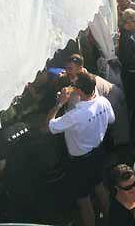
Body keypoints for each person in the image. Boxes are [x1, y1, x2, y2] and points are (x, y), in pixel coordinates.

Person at [47, 71, 115, 226]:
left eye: (73, 85)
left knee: (84, 200)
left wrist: (59, 103)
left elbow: (49, 126)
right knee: (99, 186)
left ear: (78, 90)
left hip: (80, 161)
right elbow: (111, 119)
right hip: (98, 152)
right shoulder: (103, 102)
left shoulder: (75, 115)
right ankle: (111, 220)